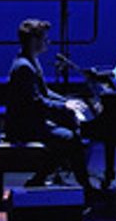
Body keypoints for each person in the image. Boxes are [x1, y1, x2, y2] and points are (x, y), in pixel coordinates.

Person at [5, 18, 94, 191]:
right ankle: (86, 188)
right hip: (22, 127)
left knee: (69, 130)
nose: (48, 42)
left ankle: (40, 177)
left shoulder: (30, 60)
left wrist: (66, 101)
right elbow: (36, 103)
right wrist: (64, 107)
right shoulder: (24, 67)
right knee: (70, 138)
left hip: (30, 120)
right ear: (33, 41)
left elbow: (45, 92)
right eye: (44, 39)